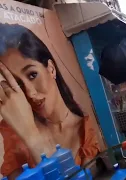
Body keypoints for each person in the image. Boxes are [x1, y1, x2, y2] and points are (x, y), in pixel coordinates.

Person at [0, 23, 99, 178]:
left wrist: (33, 138)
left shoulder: (84, 131)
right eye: (18, 84)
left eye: (32, 75)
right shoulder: (13, 130)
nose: (30, 93)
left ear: (51, 68)